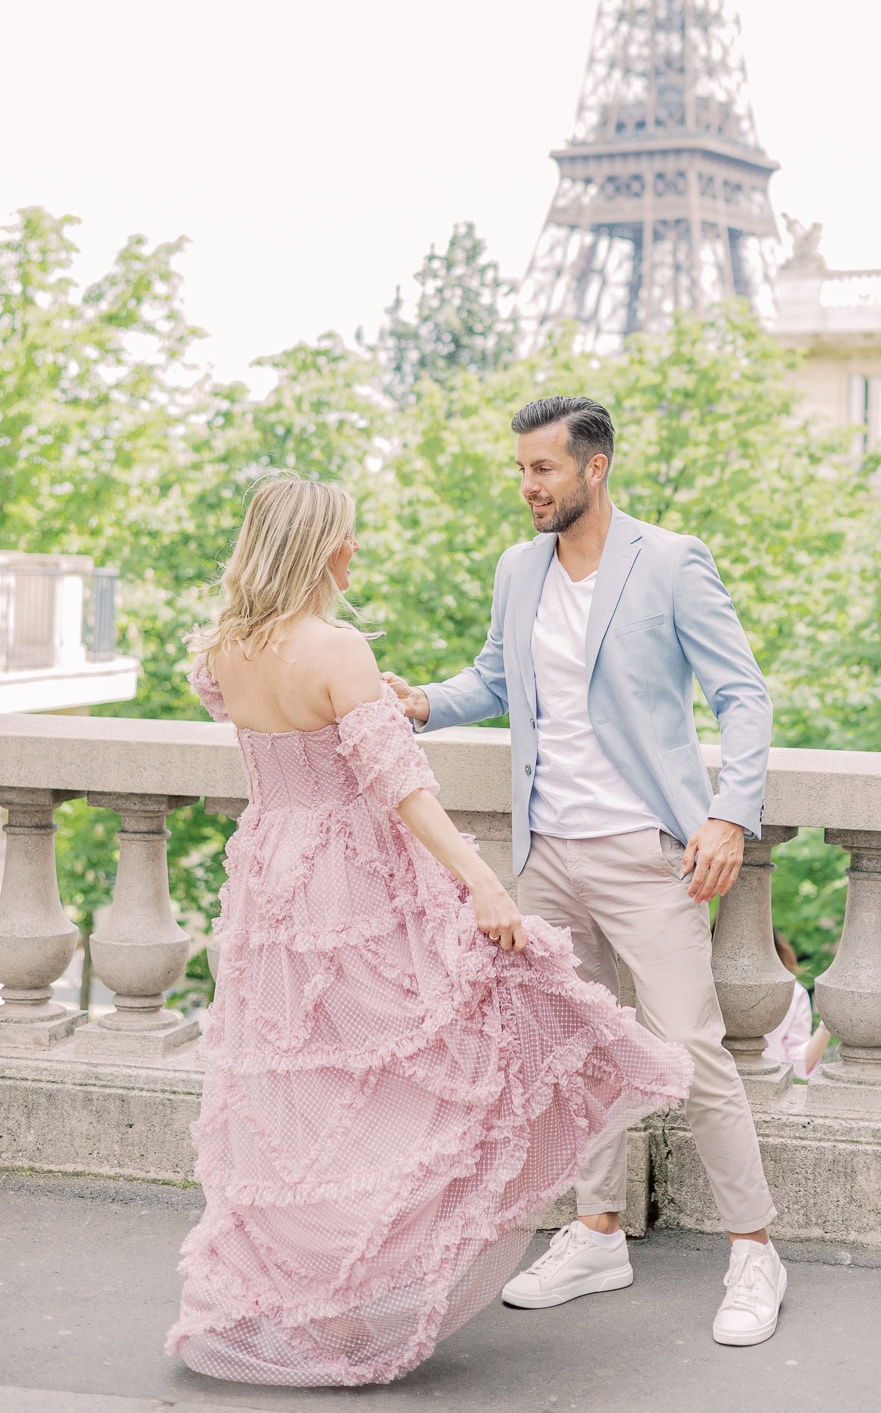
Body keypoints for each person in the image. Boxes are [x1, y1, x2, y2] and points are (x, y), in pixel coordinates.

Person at [166, 476, 691, 1389]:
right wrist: (483, 883)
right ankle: (357, 1283)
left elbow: (277, 739)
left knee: (304, 1095)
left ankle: (318, 1297)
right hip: (353, 883)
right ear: (318, 548)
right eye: (346, 536)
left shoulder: (222, 650)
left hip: (271, 882)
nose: (354, 550)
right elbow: (397, 784)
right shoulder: (338, 648)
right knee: (413, 1072)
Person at [390, 395, 786, 1348]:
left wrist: (729, 811)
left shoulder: (671, 561)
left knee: (691, 1050)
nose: (528, 486)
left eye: (544, 469)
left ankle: (755, 1251)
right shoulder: (517, 568)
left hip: (647, 854)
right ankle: (598, 1233)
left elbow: (743, 695)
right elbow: (495, 678)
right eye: (521, 469)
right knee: (574, 1056)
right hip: (547, 856)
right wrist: (422, 703)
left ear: (594, 468)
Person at [764, 931, 831, 1080]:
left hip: (771, 1080)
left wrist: (828, 1022)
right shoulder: (711, 985)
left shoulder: (793, 993)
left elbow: (799, 1062)